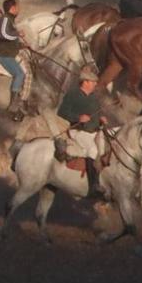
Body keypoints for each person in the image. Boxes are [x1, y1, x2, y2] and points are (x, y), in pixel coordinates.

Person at [54, 70, 105, 198]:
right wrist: (78, 118)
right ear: (85, 82)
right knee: (93, 150)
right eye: (93, 82)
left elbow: (97, 113)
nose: (95, 84)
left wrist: (101, 119)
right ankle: (94, 185)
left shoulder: (94, 97)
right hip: (78, 131)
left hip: (94, 131)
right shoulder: (73, 94)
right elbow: (61, 113)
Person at [0, 0, 26, 119]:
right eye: (17, 7)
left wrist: (22, 45)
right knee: (20, 74)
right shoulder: (6, 19)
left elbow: (9, 38)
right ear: (12, 8)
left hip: (8, 51)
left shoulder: (10, 19)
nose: (19, 9)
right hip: (3, 53)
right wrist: (18, 34)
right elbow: (3, 35)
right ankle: (13, 103)